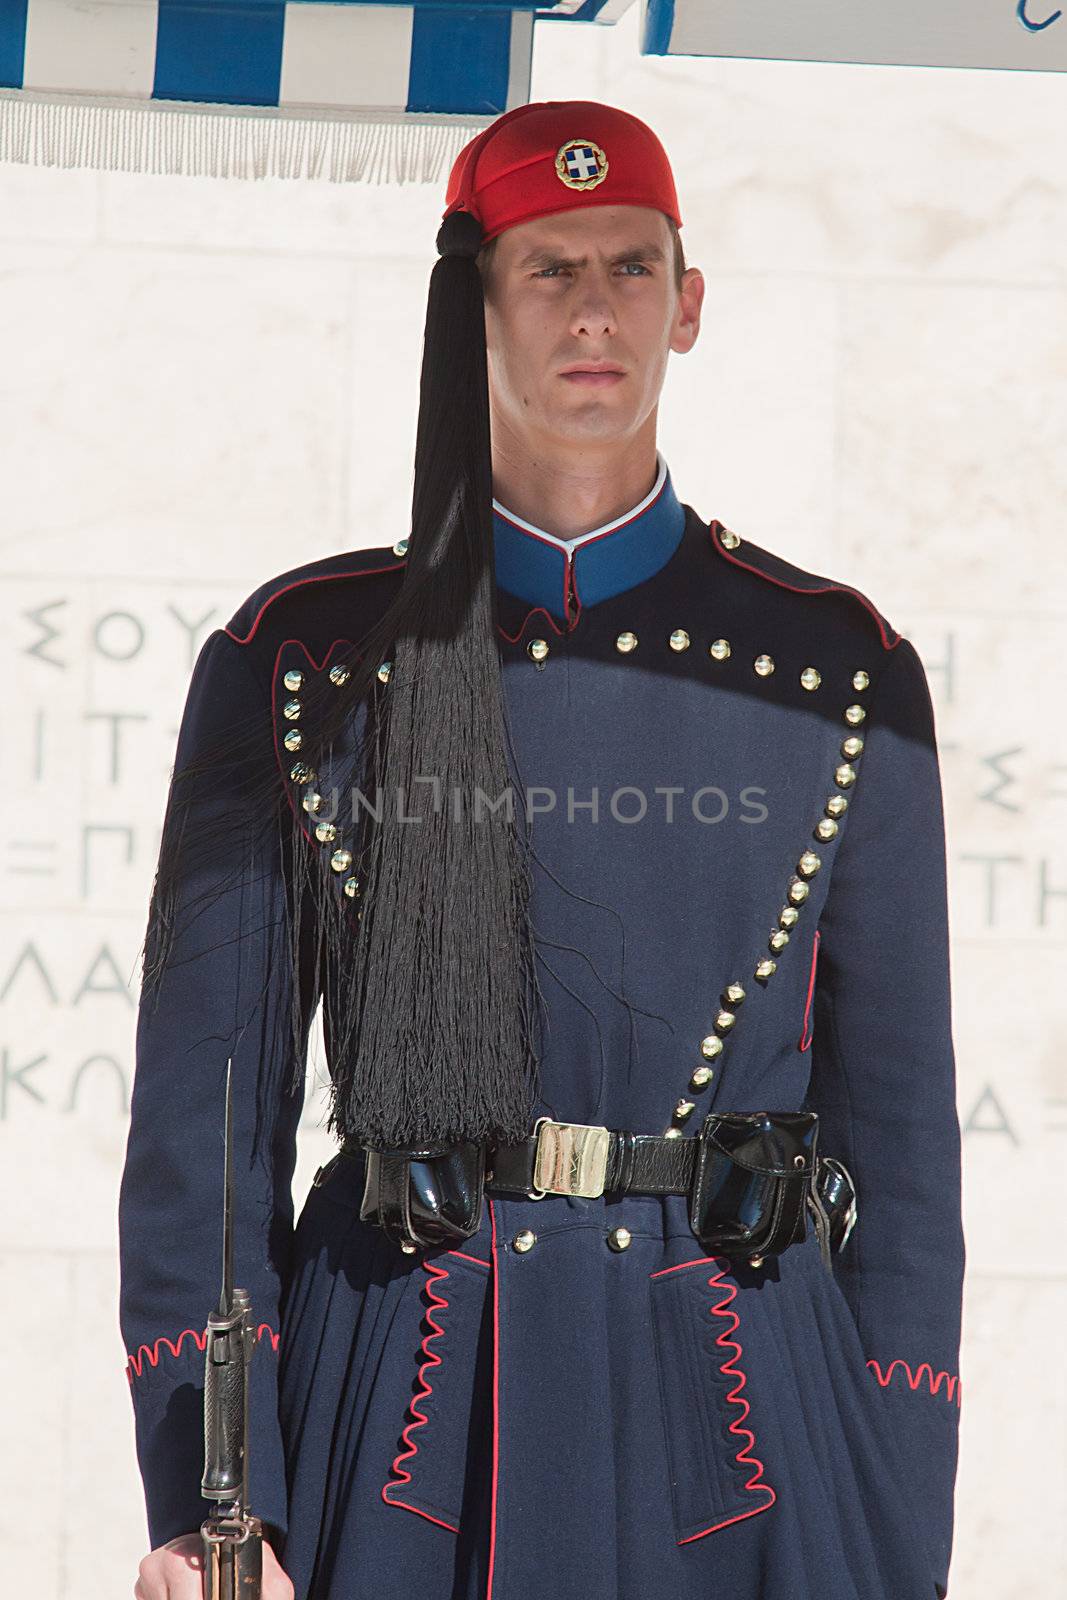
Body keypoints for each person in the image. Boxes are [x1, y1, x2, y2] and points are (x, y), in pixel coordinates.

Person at [120, 99, 965, 1600]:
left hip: (742, 1421)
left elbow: (899, 1148)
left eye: (632, 270)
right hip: (404, 1401)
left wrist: (891, 1519)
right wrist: (206, 1503)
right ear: (472, 305)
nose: (595, 311)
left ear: (690, 305)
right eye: (549, 268)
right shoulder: (301, 659)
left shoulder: (834, 671)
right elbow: (211, 1126)